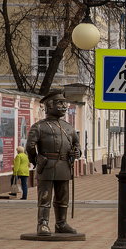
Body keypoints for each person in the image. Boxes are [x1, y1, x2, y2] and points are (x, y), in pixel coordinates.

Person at [25, 90, 82, 236]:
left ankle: (61, 223)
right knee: (45, 197)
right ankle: (42, 224)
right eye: (60, 103)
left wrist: (77, 152)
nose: (64, 106)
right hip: (47, 167)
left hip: (64, 166)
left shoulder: (69, 127)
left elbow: (77, 145)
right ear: (50, 106)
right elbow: (30, 147)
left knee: (63, 197)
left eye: (65, 103)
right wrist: (37, 160)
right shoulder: (39, 127)